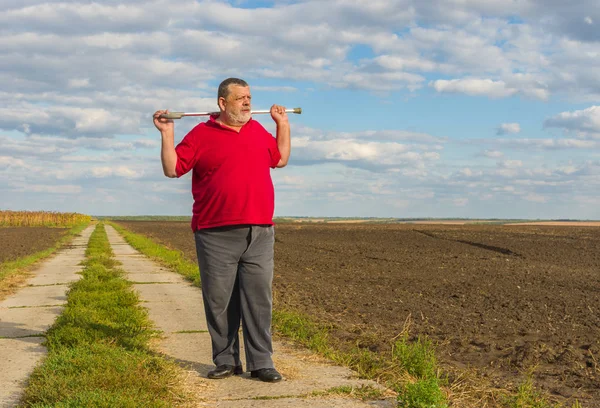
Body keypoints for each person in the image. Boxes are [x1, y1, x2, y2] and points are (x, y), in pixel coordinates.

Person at [153, 78, 290, 383]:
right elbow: (172, 168)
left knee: (258, 299)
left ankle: (262, 362)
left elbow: (280, 159)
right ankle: (226, 360)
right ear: (222, 103)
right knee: (220, 300)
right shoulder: (201, 133)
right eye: (241, 98)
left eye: (250, 98)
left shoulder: (257, 130)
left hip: (259, 231)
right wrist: (167, 133)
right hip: (215, 233)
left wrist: (282, 124)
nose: (247, 103)